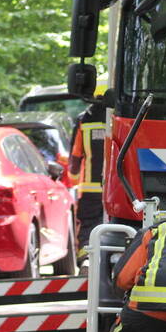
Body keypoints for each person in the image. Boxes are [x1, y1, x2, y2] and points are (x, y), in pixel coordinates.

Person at [69, 90, 108, 262]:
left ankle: (86, 260)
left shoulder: (84, 119)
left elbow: (75, 157)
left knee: (88, 227)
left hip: (90, 189)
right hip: (116, 188)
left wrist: (73, 178)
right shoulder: (123, 116)